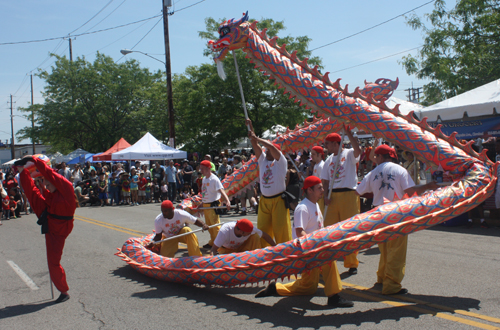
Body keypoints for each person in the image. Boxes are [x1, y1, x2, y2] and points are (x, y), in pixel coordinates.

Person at [255, 176, 354, 308]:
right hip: (306, 250)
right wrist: (316, 245)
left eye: (322, 187)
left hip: (313, 248)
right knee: (329, 260)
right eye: (319, 188)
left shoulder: (315, 205)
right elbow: (299, 232)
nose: (323, 190)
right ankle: (334, 296)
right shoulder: (303, 208)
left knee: (309, 287)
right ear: (309, 190)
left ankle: (276, 288)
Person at [356, 145, 439, 295]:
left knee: (385, 250)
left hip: (378, 213)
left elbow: (358, 191)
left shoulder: (373, 172)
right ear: (392, 156)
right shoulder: (400, 170)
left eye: (376, 157)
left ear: (381, 157)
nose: (375, 159)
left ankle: (381, 280)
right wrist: (428, 186)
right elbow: (411, 191)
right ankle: (392, 286)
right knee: (396, 251)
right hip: (396, 213)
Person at [16, 155, 76, 303]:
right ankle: (22, 171)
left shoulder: (66, 188)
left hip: (58, 228)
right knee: (32, 192)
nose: (47, 187)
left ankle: (64, 291)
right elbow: (41, 188)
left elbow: (50, 174)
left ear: (54, 183)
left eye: (48, 184)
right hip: (49, 218)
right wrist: (24, 169)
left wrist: (34, 160)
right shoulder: (53, 193)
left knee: (53, 262)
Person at [320, 128, 361, 275]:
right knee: (329, 229)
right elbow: (325, 181)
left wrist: (349, 133)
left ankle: (351, 263)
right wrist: (325, 196)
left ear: (336, 144)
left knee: (349, 229)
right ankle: (329, 259)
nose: (326, 147)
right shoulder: (328, 160)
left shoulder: (348, 154)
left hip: (348, 194)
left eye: (328, 144)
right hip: (332, 197)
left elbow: (358, 150)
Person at [246, 118, 292, 246]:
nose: (265, 151)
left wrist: (257, 138)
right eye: (265, 150)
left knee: (281, 230)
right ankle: (264, 254)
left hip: (278, 201)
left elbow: (270, 145)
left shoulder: (281, 162)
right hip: (264, 200)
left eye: (268, 151)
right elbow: (255, 145)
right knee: (262, 230)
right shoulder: (263, 161)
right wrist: (250, 127)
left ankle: (284, 254)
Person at [200, 160, 231, 249]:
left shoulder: (214, 179)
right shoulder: (204, 179)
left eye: (202, 169)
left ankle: (221, 244)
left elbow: (221, 190)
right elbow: (206, 193)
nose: (201, 171)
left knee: (215, 226)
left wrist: (227, 201)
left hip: (212, 205)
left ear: (207, 168)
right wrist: (202, 203)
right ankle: (213, 242)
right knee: (209, 226)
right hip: (206, 205)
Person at [210, 218, 276, 256]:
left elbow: (265, 235)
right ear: (241, 232)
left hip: (241, 248)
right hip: (226, 251)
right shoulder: (225, 231)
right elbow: (213, 249)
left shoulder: (250, 229)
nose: (250, 233)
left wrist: (275, 247)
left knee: (255, 236)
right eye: (249, 233)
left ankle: (254, 257)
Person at [311, 146, 325, 210]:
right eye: (311, 154)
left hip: (320, 195)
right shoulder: (316, 165)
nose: (311, 156)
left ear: (319, 154)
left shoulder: (321, 166)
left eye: (313, 154)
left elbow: (322, 182)